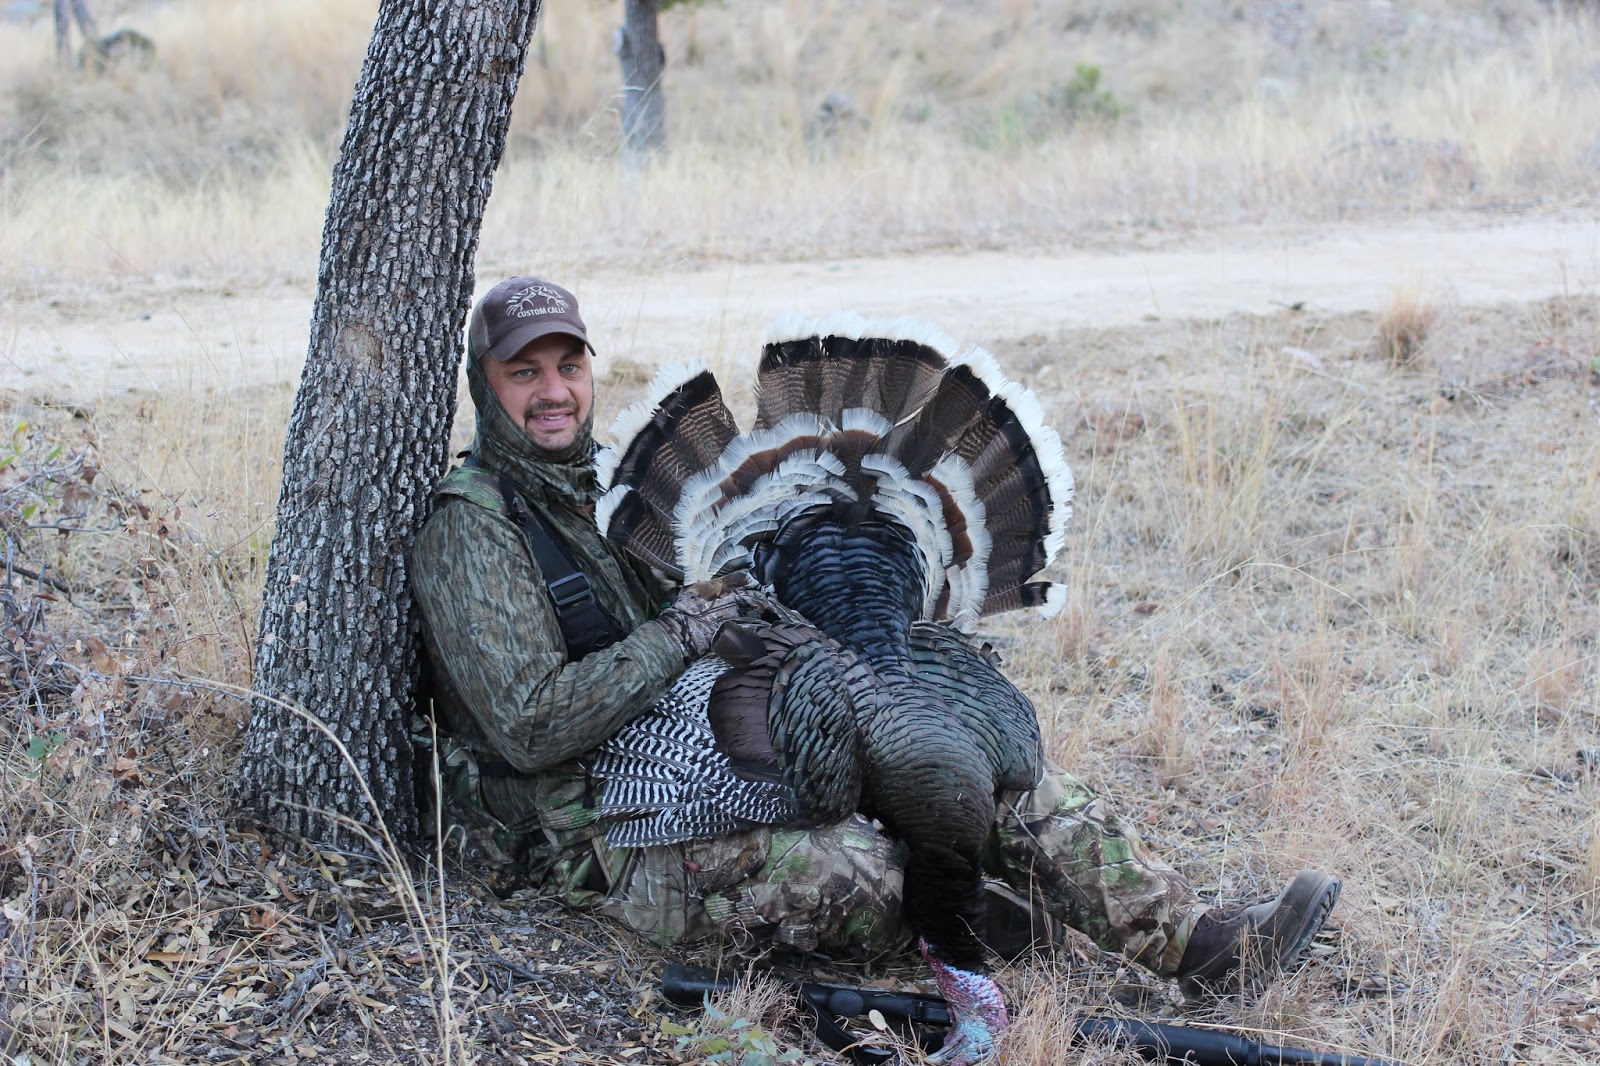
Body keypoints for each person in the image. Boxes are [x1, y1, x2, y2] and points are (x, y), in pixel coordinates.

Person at [408, 275, 1340, 993]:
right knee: (851, 869)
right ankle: (991, 922)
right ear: (486, 390)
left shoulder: (598, 486)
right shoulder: (474, 528)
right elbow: (529, 727)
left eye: (567, 367)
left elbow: (695, 631)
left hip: (693, 735)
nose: (554, 392)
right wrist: (680, 634)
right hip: (594, 826)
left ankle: (1203, 943)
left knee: (962, 759)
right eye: (524, 373)